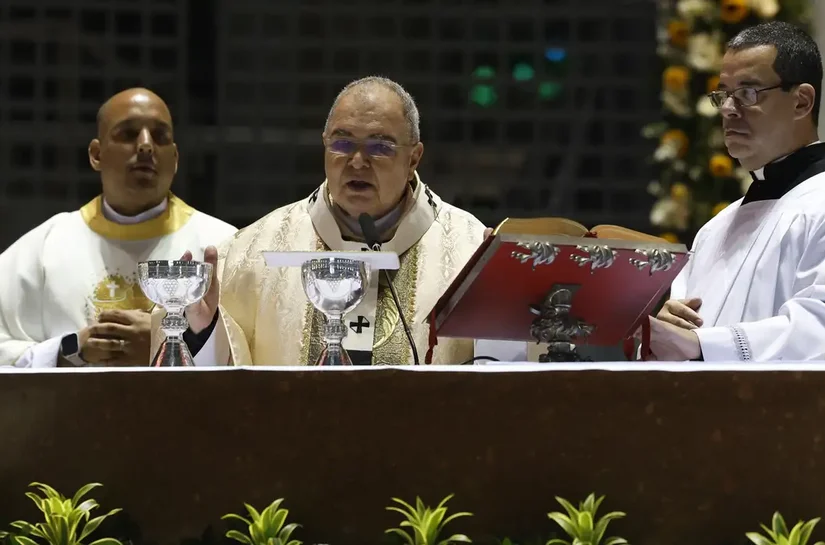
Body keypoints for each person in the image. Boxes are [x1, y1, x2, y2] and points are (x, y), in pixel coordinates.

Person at [170, 76, 491, 365]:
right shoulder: (252, 252)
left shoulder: (470, 251)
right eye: (342, 143)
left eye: (380, 146)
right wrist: (203, 331)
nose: (357, 162)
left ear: (414, 159)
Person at [0, 88, 237, 368]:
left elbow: (251, 355)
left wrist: (170, 341)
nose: (146, 145)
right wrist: (72, 349)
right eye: (128, 134)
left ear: (174, 160)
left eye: (160, 137)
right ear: (96, 154)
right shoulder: (42, 249)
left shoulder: (224, 245)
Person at [647, 21, 825, 361]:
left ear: (801, 102)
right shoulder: (714, 230)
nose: (728, 109)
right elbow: (684, 342)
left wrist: (703, 346)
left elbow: (819, 329)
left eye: (748, 92)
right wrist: (668, 332)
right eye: (723, 94)